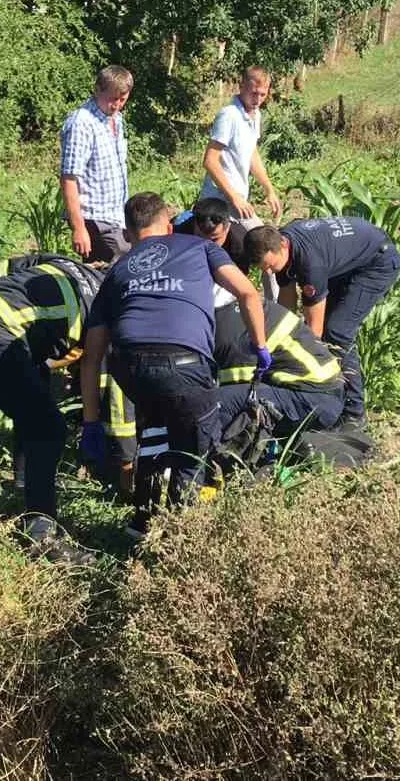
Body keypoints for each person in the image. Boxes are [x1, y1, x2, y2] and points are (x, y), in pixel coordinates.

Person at [78, 193, 269, 535]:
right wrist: (261, 346)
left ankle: (142, 525)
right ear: (168, 224)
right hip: (184, 362)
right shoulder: (198, 247)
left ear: (128, 231)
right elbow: (248, 293)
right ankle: (183, 537)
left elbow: (92, 358)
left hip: (131, 368)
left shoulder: (117, 271)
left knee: (154, 433)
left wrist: (91, 423)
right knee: (194, 448)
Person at [0, 254, 111, 563]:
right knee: (49, 428)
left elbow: (1, 267)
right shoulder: (106, 306)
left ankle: (24, 484)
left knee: (34, 398)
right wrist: (92, 423)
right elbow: (93, 367)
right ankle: (40, 533)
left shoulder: (65, 263)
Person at [245, 217, 400, 431]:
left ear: (282, 246)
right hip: (347, 261)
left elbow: (315, 331)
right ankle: (336, 394)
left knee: (337, 332)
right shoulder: (281, 245)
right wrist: (278, 338)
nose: (269, 273)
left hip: (376, 263)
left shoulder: (310, 263)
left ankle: (354, 413)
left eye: (271, 267)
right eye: (264, 269)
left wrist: (300, 366)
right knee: (326, 330)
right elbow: (287, 303)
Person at [211, 300, 343, 438]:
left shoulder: (230, 331)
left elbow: (238, 388)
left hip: (313, 398)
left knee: (215, 403)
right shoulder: (248, 307)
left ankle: (221, 455)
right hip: (322, 391)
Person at [60, 66, 134, 262]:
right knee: (114, 273)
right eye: (112, 98)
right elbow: (69, 179)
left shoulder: (115, 119)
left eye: (122, 99)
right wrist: (78, 228)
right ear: (97, 90)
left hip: (116, 216)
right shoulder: (81, 123)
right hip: (94, 218)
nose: (117, 105)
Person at [200, 67, 282, 223]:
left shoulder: (255, 115)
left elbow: (252, 154)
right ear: (241, 86)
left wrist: (269, 190)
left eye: (262, 95)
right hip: (218, 203)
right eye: (253, 93)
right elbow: (210, 161)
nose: (257, 100)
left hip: (238, 201)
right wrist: (234, 197)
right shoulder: (229, 115)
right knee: (259, 242)